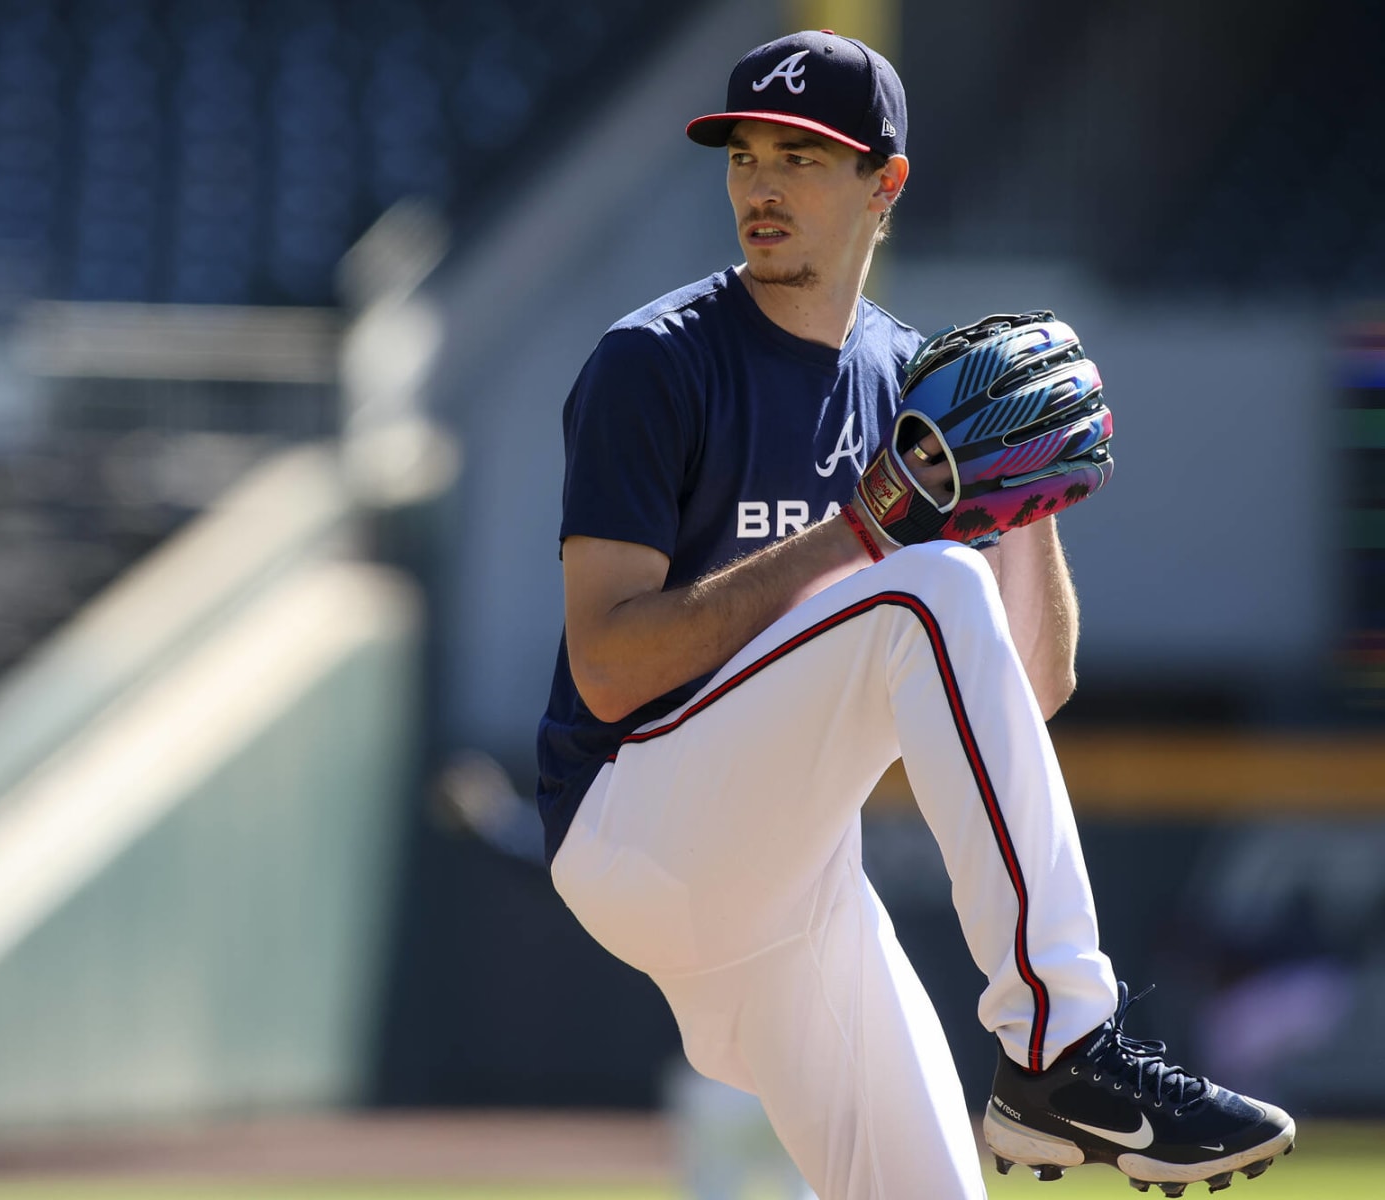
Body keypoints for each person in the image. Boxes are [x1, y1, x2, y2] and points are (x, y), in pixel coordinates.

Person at [535, 29, 1294, 1200]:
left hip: (790, 886)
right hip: (636, 825)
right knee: (926, 587)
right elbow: (607, 666)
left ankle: (1051, 1064)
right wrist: (864, 531)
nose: (762, 186)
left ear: (883, 181)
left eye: (801, 155)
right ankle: (1060, 1046)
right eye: (744, 155)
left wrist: (1021, 498)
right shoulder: (655, 361)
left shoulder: (910, 381)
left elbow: (1029, 693)